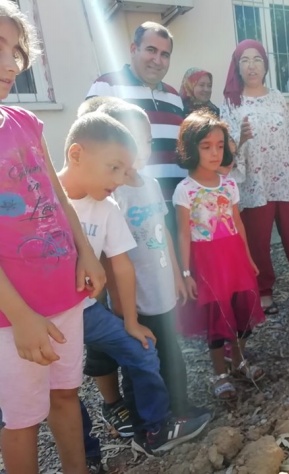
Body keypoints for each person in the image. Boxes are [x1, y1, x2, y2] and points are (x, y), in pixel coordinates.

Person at [58, 112, 210, 457]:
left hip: (85, 309)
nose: (122, 178)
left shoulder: (108, 205)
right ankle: (87, 454)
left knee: (140, 347)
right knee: (61, 391)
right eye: (115, 168)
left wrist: (129, 322)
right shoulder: (47, 203)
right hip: (45, 314)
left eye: (126, 169)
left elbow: (122, 264)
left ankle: (153, 428)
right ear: (77, 155)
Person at [0, 2, 106, 472]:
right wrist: (20, 316)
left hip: (64, 292)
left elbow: (58, 196)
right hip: (12, 316)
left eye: (16, 50)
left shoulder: (26, 122)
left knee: (66, 394)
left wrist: (86, 252)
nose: (10, 64)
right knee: (23, 418)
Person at [173, 110, 265, 400]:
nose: (215, 153)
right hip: (207, 261)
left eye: (220, 145)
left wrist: (249, 258)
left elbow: (237, 223)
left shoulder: (229, 184)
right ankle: (219, 371)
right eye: (206, 146)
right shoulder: (185, 190)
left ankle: (238, 360)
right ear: (191, 148)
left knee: (241, 310)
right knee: (217, 314)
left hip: (234, 256)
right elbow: (184, 233)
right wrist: (186, 273)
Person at [221, 39, 289, 314]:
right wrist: (241, 138)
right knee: (258, 239)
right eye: (244, 60)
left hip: (283, 175)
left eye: (257, 59)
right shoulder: (231, 102)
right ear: (237, 66)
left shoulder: (277, 97)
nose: (251, 66)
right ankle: (264, 288)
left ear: (265, 64)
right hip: (255, 182)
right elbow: (225, 147)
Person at [85, 21, 184, 235]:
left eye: (165, 54)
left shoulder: (175, 97)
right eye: (151, 50)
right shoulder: (107, 86)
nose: (158, 60)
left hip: (175, 207)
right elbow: (90, 147)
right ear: (133, 49)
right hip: (131, 213)